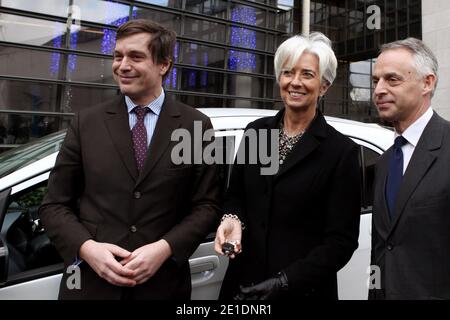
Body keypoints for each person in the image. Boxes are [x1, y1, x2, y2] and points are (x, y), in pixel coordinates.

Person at [39, 19, 220, 300]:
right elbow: (54, 205)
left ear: (164, 65)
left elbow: (207, 205)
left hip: (162, 287)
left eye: (136, 57)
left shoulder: (195, 125)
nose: (122, 65)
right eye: (118, 56)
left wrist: (165, 248)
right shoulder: (86, 123)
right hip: (89, 287)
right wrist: (88, 249)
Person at [214, 33, 361, 300]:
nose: (295, 82)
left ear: (324, 85)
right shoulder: (257, 132)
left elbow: (341, 242)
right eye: (287, 72)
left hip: (302, 291)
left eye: (307, 74)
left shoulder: (341, 152)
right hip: (243, 285)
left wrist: (283, 282)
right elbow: (235, 196)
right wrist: (231, 219)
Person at [369, 38, 450, 300]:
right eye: (375, 80)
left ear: (427, 83)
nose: (379, 90)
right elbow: (381, 250)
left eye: (392, 80)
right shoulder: (384, 162)